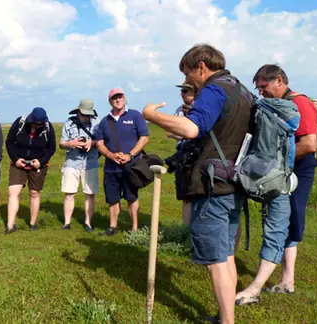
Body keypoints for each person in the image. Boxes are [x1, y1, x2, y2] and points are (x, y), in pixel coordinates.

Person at [142, 44, 253, 324]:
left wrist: (151, 115)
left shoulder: (215, 89)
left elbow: (192, 128)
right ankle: (225, 316)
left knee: (215, 260)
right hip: (233, 181)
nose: (189, 81)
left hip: (212, 186)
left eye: (189, 73)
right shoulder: (242, 91)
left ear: (201, 66)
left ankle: (227, 321)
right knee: (226, 255)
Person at [235, 64, 317, 305]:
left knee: (287, 221)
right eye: (258, 88)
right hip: (283, 170)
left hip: (298, 171)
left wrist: (276, 165)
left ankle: (271, 283)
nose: (261, 92)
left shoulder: (299, 103)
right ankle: (287, 280)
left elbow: (309, 144)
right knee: (288, 222)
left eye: (264, 86)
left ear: (279, 80)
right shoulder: (274, 106)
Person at [95, 88, 150, 236]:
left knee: (131, 197)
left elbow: (144, 138)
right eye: (114, 98)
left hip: (131, 166)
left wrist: (130, 155)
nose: (117, 100)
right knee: (112, 198)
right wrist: (111, 155)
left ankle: (134, 228)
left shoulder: (135, 115)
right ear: (110, 102)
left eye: (120, 97)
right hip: (111, 167)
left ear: (124, 98)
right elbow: (99, 143)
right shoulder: (105, 121)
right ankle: (112, 227)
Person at [4, 107, 56, 234]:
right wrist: (16, 159)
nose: (37, 126)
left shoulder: (48, 127)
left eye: (39, 124)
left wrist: (41, 162)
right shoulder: (20, 123)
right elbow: (9, 142)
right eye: (34, 123)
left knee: (34, 193)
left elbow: (51, 148)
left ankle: (32, 224)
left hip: (38, 164)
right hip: (18, 163)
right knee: (13, 192)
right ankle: (10, 225)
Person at [59, 99, 100, 232]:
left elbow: (102, 141)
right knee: (69, 193)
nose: (86, 117)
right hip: (72, 161)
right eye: (84, 114)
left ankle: (88, 223)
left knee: (90, 194)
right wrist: (72, 144)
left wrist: (91, 143)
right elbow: (61, 144)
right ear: (78, 112)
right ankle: (67, 223)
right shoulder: (69, 123)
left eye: (89, 115)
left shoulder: (97, 123)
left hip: (91, 162)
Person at [167, 82, 197, 224]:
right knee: (185, 195)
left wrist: (181, 134)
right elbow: (170, 132)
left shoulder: (200, 109)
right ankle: (186, 231)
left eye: (185, 91)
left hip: (197, 158)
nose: (182, 94)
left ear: (194, 92)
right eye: (182, 91)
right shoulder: (179, 110)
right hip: (182, 156)